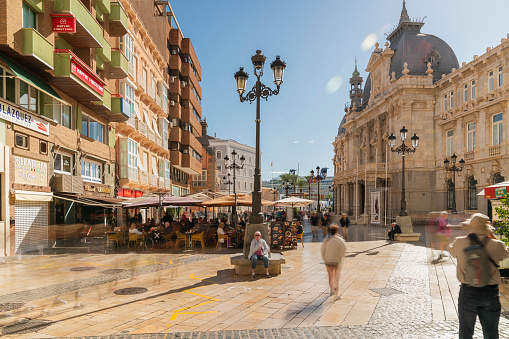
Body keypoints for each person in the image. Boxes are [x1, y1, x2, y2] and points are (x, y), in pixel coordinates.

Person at [448, 213, 509, 339]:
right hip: (490, 292)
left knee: (466, 331)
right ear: (487, 228)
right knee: (491, 332)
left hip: (468, 291)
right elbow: (505, 253)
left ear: (471, 227)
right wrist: (492, 235)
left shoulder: (459, 242)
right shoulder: (496, 245)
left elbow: (451, 250)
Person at [321, 224, 346, 299]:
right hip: (336, 260)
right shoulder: (340, 240)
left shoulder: (326, 240)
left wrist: (324, 258)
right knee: (336, 276)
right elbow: (343, 249)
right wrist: (340, 257)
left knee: (330, 275)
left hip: (328, 260)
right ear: (336, 231)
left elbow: (322, 250)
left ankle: (331, 290)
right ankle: (336, 294)